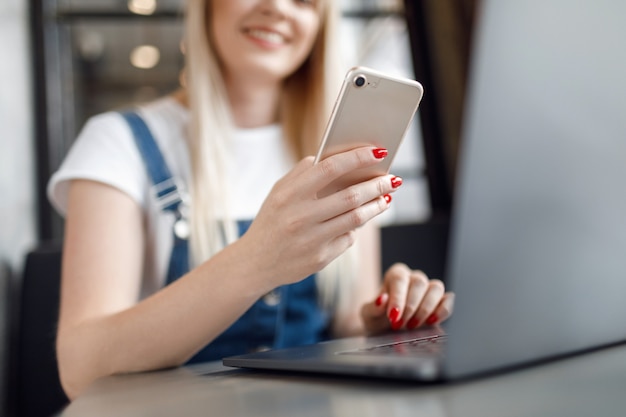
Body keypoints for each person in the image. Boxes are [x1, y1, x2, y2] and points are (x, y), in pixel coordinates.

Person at [47, 0, 455, 400]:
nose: (277, 7)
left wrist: (383, 318)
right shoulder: (118, 143)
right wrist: (257, 260)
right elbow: (80, 369)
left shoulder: (342, 149)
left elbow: (349, 321)